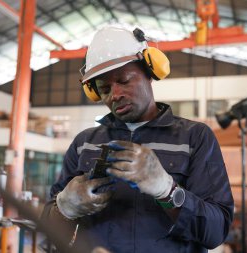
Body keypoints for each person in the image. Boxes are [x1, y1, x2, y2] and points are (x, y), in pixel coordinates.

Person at [42, 25, 234, 253]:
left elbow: (216, 231)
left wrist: (168, 191)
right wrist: (65, 208)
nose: (115, 95)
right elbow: (48, 233)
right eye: (104, 89)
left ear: (150, 72)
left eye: (124, 80)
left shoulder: (194, 138)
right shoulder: (85, 144)